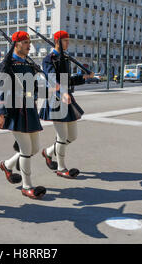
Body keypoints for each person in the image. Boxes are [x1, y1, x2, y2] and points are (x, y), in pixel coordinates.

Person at [0, 31, 47, 200]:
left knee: (34, 148)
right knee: (25, 149)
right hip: (14, 110)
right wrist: (0, 113)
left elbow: (33, 86)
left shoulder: (28, 64)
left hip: (29, 108)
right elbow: (1, 89)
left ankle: (7, 165)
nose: (29, 45)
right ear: (16, 44)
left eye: (29, 42)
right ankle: (27, 186)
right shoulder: (7, 64)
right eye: (26, 42)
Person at [39, 31, 94, 179]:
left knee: (72, 136)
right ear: (57, 41)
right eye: (65, 41)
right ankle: (61, 168)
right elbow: (52, 79)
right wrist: (62, 92)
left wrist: (83, 77)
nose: (68, 43)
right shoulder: (49, 59)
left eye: (68, 41)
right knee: (62, 136)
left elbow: (67, 80)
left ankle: (49, 152)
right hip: (56, 98)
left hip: (67, 97)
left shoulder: (65, 58)